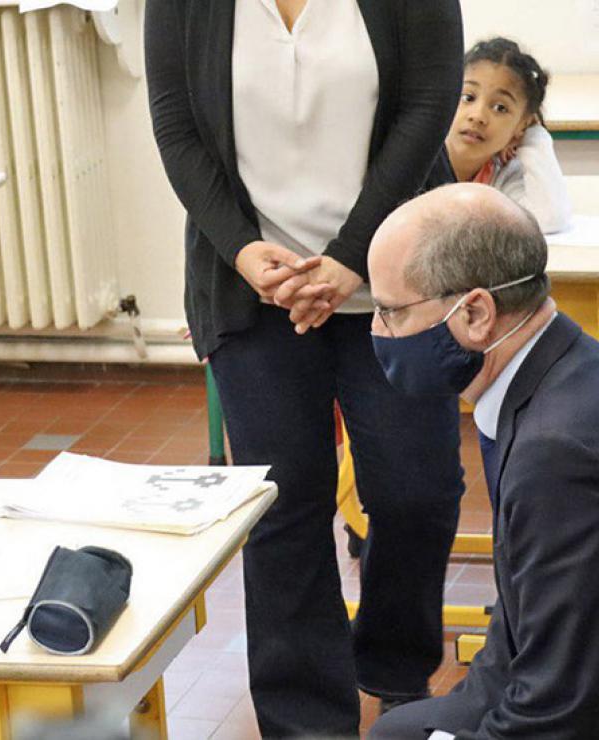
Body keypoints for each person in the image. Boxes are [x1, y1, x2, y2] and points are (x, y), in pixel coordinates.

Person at [144, 1, 466, 734]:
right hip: (254, 285)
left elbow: (427, 104)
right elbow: (176, 124)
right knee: (282, 509)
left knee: (419, 492)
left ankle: (394, 670)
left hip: (398, 275)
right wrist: (241, 249)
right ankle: (304, 718)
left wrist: (354, 257)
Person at [368, 183, 599, 739]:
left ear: (475, 312)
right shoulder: (561, 370)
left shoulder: (554, 454)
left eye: (389, 311)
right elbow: (526, 614)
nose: (375, 332)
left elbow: (559, 709)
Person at [445, 37, 572, 234]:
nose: (477, 116)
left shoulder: (503, 175)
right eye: (468, 97)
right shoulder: (416, 157)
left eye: (500, 108)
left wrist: (533, 136)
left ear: (522, 125)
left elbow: (549, 219)